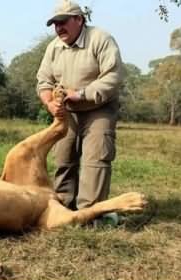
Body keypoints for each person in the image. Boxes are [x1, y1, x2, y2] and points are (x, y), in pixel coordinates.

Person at [37, 0, 124, 213]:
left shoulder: (101, 39)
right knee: (63, 158)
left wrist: (80, 94)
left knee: (96, 160)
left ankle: (90, 213)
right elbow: (44, 81)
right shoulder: (53, 47)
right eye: (55, 24)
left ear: (79, 19)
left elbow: (113, 77)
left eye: (63, 22)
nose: (59, 28)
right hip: (67, 111)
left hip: (99, 108)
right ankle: (63, 209)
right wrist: (49, 103)